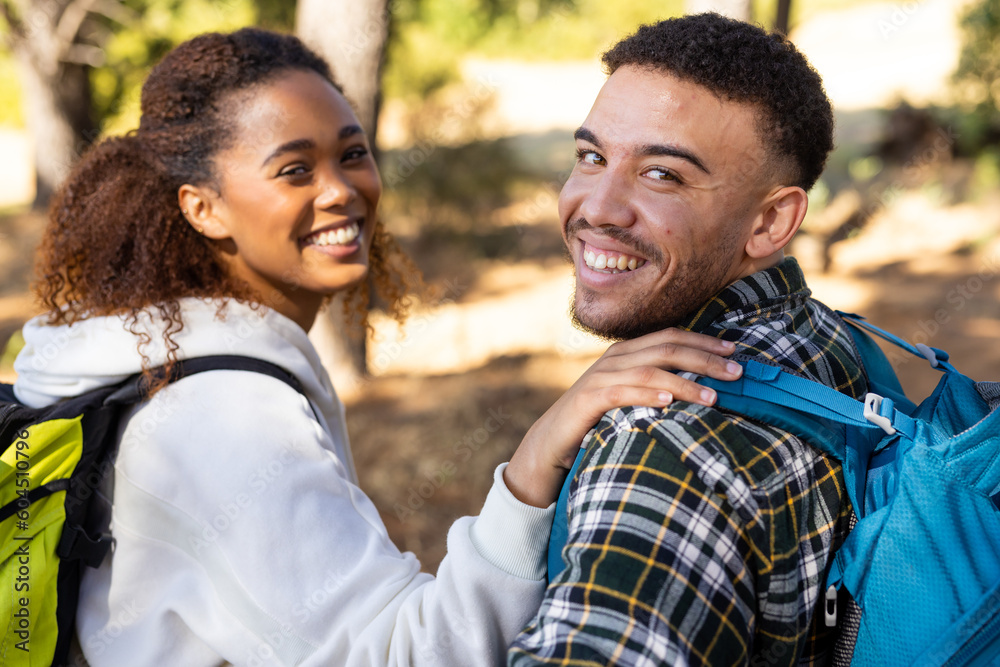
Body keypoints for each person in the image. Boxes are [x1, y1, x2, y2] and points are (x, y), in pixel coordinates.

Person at [12, 28, 742, 666]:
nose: (342, 191)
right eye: (295, 169)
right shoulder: (219, 416)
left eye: (352, 153)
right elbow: (406, 655)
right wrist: (532, 462)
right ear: (203, 208)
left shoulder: (164, 361)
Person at [509, 13, 866, 667]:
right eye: (592, 157)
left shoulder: (665, 441)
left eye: (662, 175)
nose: (597, 207)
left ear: (770, 220)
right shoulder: (837, 341)